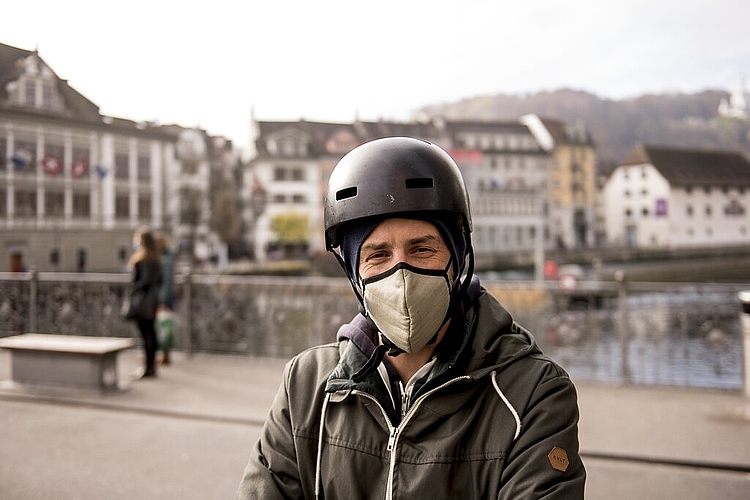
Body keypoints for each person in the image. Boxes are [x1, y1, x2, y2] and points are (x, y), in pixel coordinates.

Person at [235, 137, 586, 498]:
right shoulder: (306, 389)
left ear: (458, 258)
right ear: (355, 273)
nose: (401, 276)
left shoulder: (533, 394)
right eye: (377, 255)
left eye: (421, 249)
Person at [127, 228, 163, 378]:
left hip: (143, 302)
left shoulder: (144, 259)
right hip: (152, 301)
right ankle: (151, 365)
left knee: (146, 334)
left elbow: (144, 281)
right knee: (151, 333)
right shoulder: (156, 259)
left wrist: (135, 289)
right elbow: (159, 280)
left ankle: (148, 366)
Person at [154, 231, 177, 365]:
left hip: (165, 298)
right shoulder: (166, 257)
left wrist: (162, 300)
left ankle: (165, 354)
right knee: (163, 326)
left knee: (164, 326)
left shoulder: (165, 259)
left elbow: (167, 281)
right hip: (166, 296)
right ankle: (162, 354)